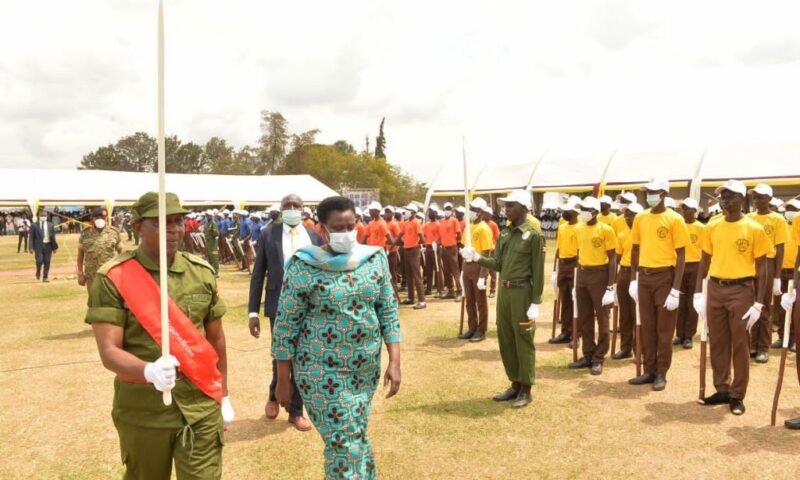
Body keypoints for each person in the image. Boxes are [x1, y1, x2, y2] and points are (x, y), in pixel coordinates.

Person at [85, 192, 233, 479]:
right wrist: (148, 370)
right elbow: (109, 351)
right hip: (144, 410)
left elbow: (216, 340)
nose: (174, 229)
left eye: (179, 221)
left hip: (200, 405)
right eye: (162, 222)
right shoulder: (113, 277)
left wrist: (224, 394)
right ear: (138, 226)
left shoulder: (201, 272)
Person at [272, 195, 402, 479]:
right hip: (320, 370)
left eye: (350, 225)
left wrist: (395, 361)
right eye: (338, 227)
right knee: (343, 443)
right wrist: (283, 381)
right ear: (323, 229)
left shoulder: (374, 259)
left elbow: (388, 311)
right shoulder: (304, 265)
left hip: (364, 369)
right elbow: (284, 327)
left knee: (356, 435)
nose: (346, 233)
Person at [694, 180, 771, 416]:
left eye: (730, 195)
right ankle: (722, 389)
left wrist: (759, 303)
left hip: (741, 289)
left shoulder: (754, 228)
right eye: (723, 196)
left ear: (742, 199)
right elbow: (704, 262)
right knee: (718, 341)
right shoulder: (712, 227)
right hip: (716, 288)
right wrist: (698, 292)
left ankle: (737, 395)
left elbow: (763, 267)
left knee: (740, 344)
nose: (725, 199)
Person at [248, 194, 323, 432]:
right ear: (281, 210)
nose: (292, 209)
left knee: (303, 357)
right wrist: (252, 312)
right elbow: (258, 274)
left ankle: (295, 411)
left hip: (309, 306)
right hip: (278, 305)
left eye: (296, 206)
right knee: (281, 353)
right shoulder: (268, 234)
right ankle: (274, 395)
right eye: (287, 206)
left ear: (303, 209)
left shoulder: (315, 236)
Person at [463, 190, 544, 408]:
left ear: (524, 207)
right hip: (504, 292)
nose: (505, 209)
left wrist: (536, 301)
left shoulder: (533, 235)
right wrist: (478, 258)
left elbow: (537, 271)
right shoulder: (505, 234)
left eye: (510, 206)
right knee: (506, 338)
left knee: (523, 339)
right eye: (505, 206)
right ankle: (515, 383)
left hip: (522, 293)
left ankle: (526, 389)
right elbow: (498, 264)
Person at [628, 179, 689, 391]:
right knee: (647, 327)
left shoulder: (675, 219)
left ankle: (662, 372)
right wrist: (634, 278)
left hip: (665, 276)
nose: (648, 196)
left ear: (663, 193)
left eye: (653, 192)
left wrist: (675, 289)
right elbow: (635, 248)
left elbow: (682, 255)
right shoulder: (641, 218)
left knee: (664, 329)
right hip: (644, 276)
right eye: (647, 192)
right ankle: (649, 369)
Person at [568, 197, 618, 375]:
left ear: (595, 211)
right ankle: (588, 354)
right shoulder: (579, 229)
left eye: (587, 209)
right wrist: (576, 281)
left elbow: (613, 258)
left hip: (600, 274)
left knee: (602, 318)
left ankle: (599, 357)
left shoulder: (606, 229)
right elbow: (578, 253)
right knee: (584, 317)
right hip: (582, 273)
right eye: (582, 208)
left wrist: (611, 287)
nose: (583, 212)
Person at [746, 184, 789, 363]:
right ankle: (752, 344)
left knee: (763, 305)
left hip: (768, 264)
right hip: (750, 263)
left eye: (761, 197)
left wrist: (777, 276)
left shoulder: (777, 219)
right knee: (749, 304)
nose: (757, 200)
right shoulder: (748, 217)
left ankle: (763, 346)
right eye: (755, 197)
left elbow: (779, 249)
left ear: (769, 199)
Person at [457, 198, 495, 343]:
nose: (470, 211)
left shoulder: (484, 228)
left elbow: (486, 253)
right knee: (469, 300)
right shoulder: (468, 226)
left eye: (473, 209)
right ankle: (472, 327)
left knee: (480, 301)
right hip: (467, 265)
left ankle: (481, 329)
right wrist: (462, 270)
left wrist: (482, 276)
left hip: (479, 265)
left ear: (480, 212)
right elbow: (463, 247)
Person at [613, 203, 644, 359]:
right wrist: (612, 283)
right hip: (624, 274)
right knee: (625, 315)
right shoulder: (622, 234)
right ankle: (626, 347)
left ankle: (640, 349)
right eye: (626, 215)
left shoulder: (646, 233)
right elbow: (617, 259)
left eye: (631, 214)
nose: (627, 218)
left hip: (640, 275)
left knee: (638, 314)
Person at [674, 198, 705, 349]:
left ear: (695, 211)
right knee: (678, 300)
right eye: (683, 208)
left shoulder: (701, 228)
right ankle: (679, 334)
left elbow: (705, 251)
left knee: (692, 302)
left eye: (687, 209)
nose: (684, 211)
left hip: (695, 266)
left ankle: (688, 335)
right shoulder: (678, 225)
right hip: (679, 266)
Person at [549, 199, 579, 344]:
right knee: (565, 299)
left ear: (575, 212)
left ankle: (576, 333)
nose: (564, 213)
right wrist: (556, 268)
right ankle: (566, 331)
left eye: (567, 210)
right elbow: (559, 248)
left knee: (576, 300)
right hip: (563, 263)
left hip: (576, 263)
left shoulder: (581, 227)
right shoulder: (562, 227)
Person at [77, 208, 123, 294]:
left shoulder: (114, 232)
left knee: (110, 301)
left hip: (110, 275)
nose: (101, 219)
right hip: (91, 276)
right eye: (98, 217)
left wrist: (121, 271)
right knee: (94, 302)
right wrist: (80, 274)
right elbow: (80, 256)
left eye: (103, 217)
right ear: (92, 219)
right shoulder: (85, 234)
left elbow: (121, 253)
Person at [774, 199, 798, 350]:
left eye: (793, 209)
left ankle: (795, 339)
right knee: (780, 308)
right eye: (788, 209)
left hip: (796, 274)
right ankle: (782, 337)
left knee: (796, 309)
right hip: (781, 273)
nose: (790, 212)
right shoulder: (781, 227)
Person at [396, 203, 427, 309]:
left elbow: (422, 238)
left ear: (413, 212)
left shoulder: (416, 223)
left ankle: (422, 301)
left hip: (414, 250)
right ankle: (410, 298)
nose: (406, 212)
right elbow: (400, 236)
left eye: (408, 210)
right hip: (406, 250)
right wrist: (396, 242)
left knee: (416, 276)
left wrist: (416, 244)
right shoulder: (405, 223)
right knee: (409, 275)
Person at [438, 202, 462, 300]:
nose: (447, 210)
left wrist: (452, 242)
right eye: (446, 208)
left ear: (452, 210)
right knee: (446, 271)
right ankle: (450, 290)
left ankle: (459, 291)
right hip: (444, 248)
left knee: (455, 270)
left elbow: (459, 235)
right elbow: (441, 235)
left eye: (449, 208)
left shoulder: (454, 221)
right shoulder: (442, 221)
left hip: (452, 248)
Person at [29, 207, 58, 282]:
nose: (43, 217)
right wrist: (31, 247)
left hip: (48, 246)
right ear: (38, 216)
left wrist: (54, 248)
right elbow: (31, 237)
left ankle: (45, 277)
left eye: (44, 216)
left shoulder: (51, 225)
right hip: (38, 246)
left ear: (47, 215)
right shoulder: (34, 225)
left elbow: (53, 237)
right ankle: (38, 272)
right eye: (42, 216)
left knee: (47, 261)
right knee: (39, 260)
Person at [422, 207, 444, 298]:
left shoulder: (439, 224)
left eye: (433, 212)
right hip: (428, 247)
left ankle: (440, 289)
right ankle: (429, 289)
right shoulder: (426, 225)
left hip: (436, 248)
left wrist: (437, 243)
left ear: (436, 213)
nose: (431, 214)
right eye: (430, 212)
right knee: (428, 269)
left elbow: (441, 236)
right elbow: (423, 235)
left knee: (438, 269)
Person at [483, 205, 501, 298]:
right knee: (483, 271)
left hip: (492, 250)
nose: (483, 215)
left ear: (489, 215)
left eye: (486, 213)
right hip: (483, 250)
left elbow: (498, 238)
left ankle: (492, 290)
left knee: (492, 271)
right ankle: (483, 288)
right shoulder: (481, 224)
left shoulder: (493, 224)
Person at [204, 210, 220, 276]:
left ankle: (216, 271)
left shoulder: (213, 223)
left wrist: (214, 232)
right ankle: (211, 270)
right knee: (210, 257)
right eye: (206, 215)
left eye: (208, 215)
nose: (207, 216)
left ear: (211, 216)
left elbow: (216, 234)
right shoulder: (207, 224)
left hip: (213, 243)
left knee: (214, 257)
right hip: (208, 242)